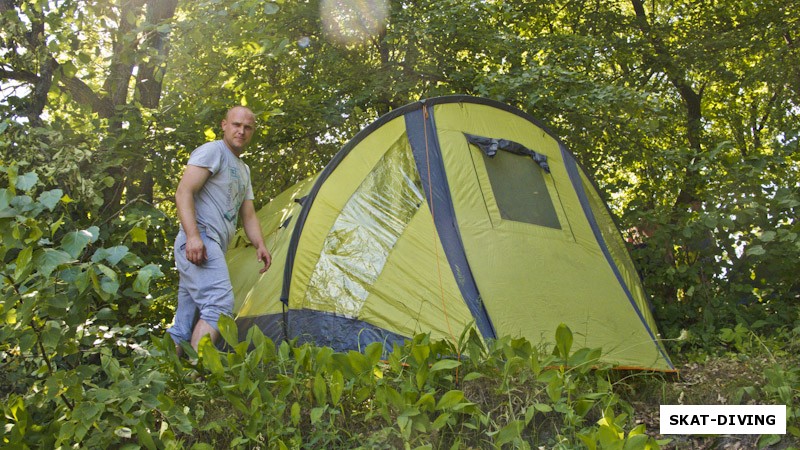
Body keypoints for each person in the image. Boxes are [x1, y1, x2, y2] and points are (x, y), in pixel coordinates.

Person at [168, 106, 271, 354]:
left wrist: (260, 244)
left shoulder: (243, 170)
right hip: (200, 239)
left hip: (207, 244)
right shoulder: (213, 151)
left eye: (248, 127)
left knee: (185, 318)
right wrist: (193, 237)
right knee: (220, 305)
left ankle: (163, 377)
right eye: (236, 125)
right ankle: (196, 369)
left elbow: (248, 214)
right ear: (224, 125)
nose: (241, 131)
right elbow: (183, 192)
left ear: (253, 131)